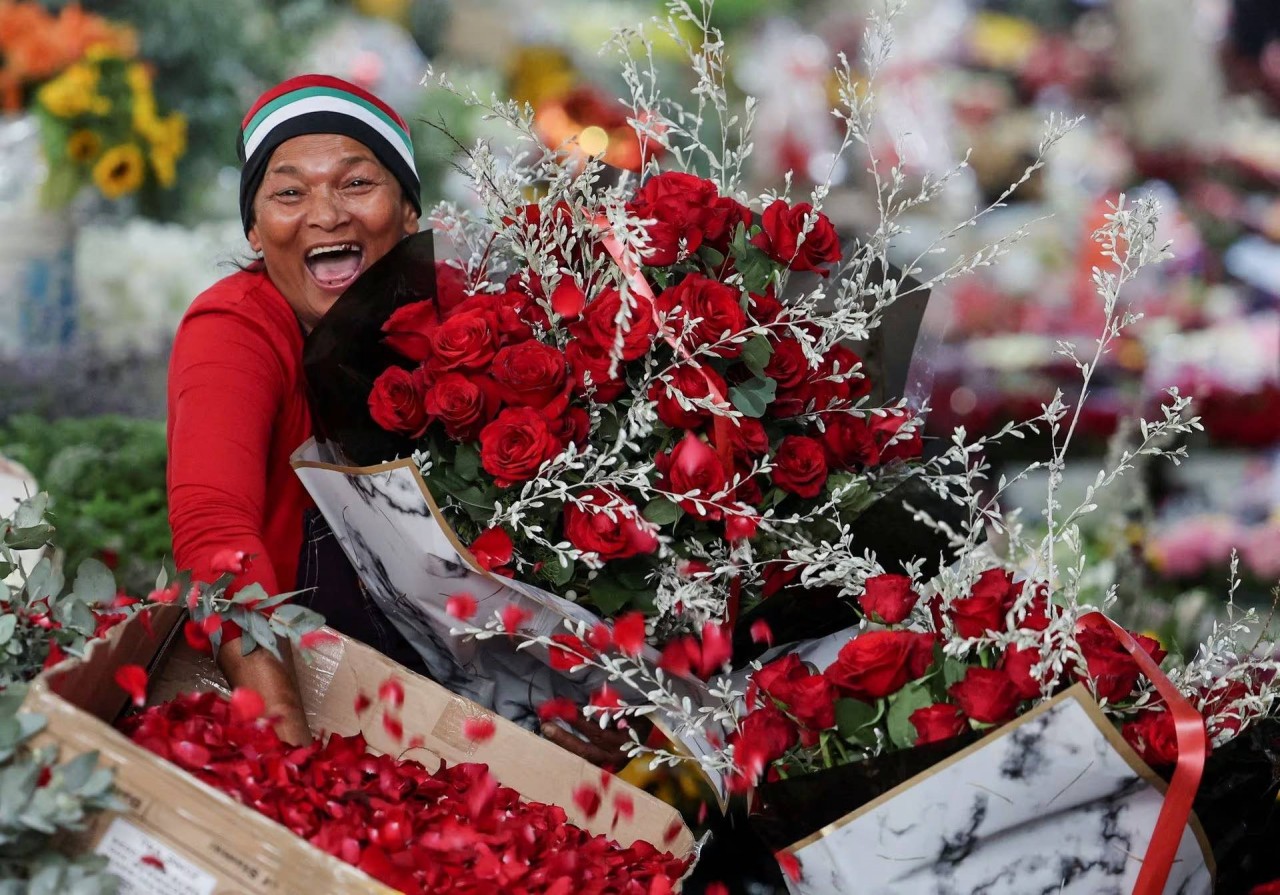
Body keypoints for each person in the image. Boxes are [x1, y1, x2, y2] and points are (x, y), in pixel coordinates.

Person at [167, 75, 632, 766]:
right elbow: (216, 527)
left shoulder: (466, 323)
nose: (325, 214)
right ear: (255, 230)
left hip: (459, 725)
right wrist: (282, 758)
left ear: (409, 212)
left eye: (356, 183)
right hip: (303, 699)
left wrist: (590, 695)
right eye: (289, 192)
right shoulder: (235, 326)